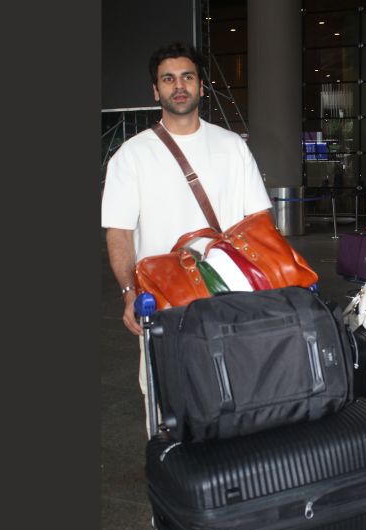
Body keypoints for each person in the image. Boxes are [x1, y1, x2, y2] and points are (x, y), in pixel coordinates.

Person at [101, 41, 272, 436]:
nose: (179, 86)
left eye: (187, 77)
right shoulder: (131, 155)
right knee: (168, 407)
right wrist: (128, 291)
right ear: (155, 90)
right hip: (165, 302)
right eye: (168, 79)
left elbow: (260, 221)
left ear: (201, 85)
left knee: (238, 399)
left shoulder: (232, 147)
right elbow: (119, 232)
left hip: (231, 301)